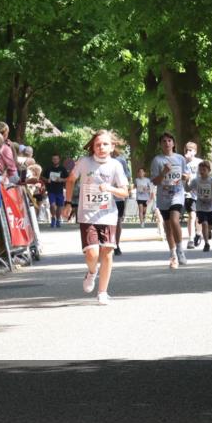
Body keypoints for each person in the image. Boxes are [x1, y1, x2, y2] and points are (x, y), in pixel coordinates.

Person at [62, 130, 130, 305]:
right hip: (88, 215)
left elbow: (124, 192)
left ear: (112, 146)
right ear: (92, 146)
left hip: (108, 215)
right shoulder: (85, 162)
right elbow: (70, 180)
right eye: (98, 144)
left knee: (107, 253)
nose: (101, 147)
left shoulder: (116, 165)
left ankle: (103, 292)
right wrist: (68, 203)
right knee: (92, 255)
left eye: (105, 144)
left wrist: (110, 188)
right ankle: (92, 272)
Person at [151, 132, 189, 269]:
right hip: (163, 197)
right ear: (161, 145)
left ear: (173, 143)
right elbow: (155, 181)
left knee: (174, 220)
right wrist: (163, 173)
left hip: (178, 194)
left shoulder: (180, 159)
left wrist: (185, 177)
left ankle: (180, 250)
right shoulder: (157, 160)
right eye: (164, 141)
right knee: (168, 226)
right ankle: (172, 253)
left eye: (169, 140)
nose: (167, 143)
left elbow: (186, 174)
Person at [188, 160, 212, 252]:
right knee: (204, 224)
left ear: (208, 170)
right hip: (200, 207)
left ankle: (209, 231)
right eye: (200, 169)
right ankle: (206, 243)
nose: (202, 171)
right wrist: (186, 180)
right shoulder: (196, 181)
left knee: (210, 226)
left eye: (204, 169)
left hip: (211, 207)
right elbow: (188, 189)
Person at [183, 142, 203, 249]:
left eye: (190, 150)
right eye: (186, 150)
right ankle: (190, 239)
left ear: (195, 152)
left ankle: (198, 234)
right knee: (192, 215)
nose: (188, 152)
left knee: (198, 217)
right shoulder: (183, 163)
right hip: (188, 193)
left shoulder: (200, 162)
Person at [43, 154, 69, 228]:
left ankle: (58, 219)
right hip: (51, 190)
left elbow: (68, 178)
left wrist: (62, 179)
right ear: (52, 160)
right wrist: (47, 180)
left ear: (59, 160)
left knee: (59, 207)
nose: (55, 160)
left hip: (60, 190)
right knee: (52, 205)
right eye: (54, 159)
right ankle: (53, 218)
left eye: (56, 159)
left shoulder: (62, 169)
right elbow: (42, 177)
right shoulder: (48, 168)